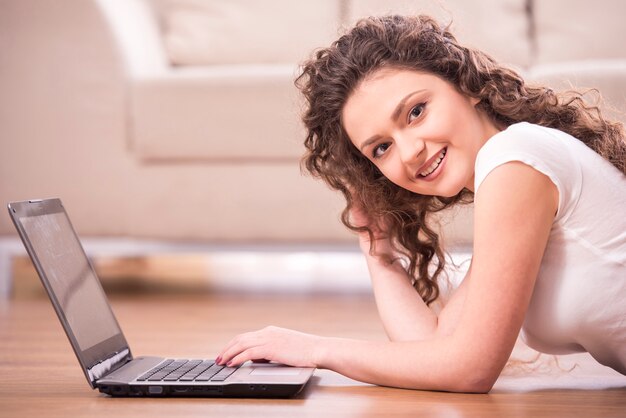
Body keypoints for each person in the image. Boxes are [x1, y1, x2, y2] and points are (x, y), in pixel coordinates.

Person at [216, 15, 626, 392]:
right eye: (380, 148)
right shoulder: (515, 169)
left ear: (464, 85)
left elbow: (469, 369)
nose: (409, 152)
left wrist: (316, 349)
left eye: (415, 111)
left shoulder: (516, 156)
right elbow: (432, 346)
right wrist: (379, 255)